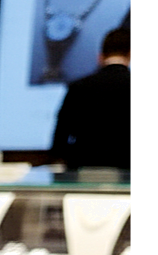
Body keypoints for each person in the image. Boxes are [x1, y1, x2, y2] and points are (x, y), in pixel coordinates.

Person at [50, 27, 130, 171]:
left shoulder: (79, 86)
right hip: (128, 170)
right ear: (129, 54)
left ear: (101, 56)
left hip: (84, 169)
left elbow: (60, 136)